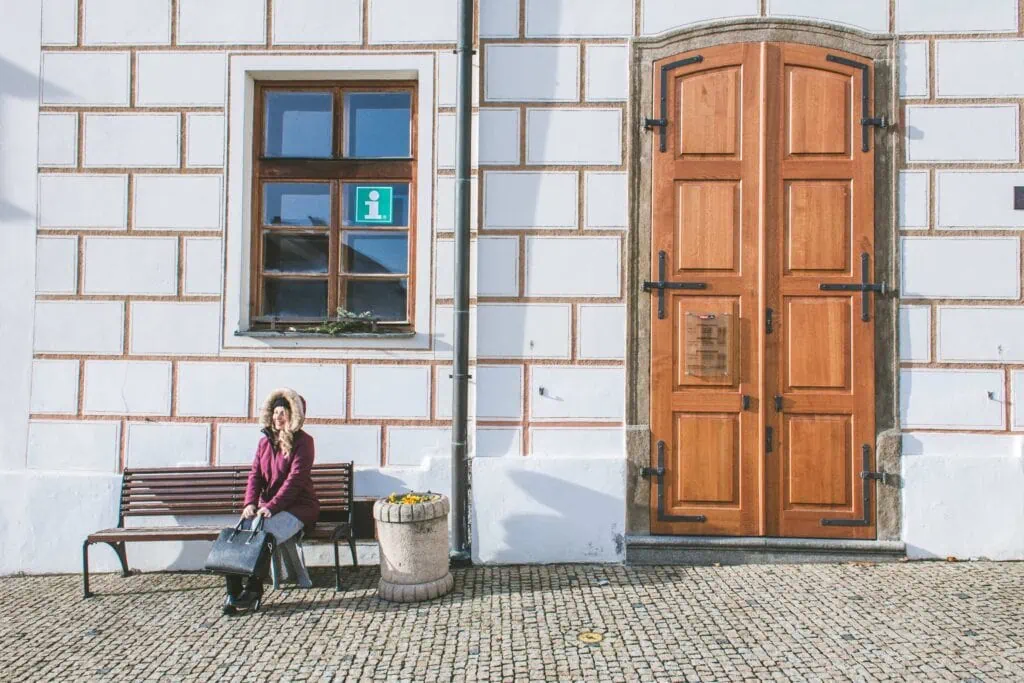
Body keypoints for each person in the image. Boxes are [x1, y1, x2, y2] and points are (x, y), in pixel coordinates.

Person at [223, 387, 320, 615]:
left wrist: (271, 506)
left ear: (294, 415)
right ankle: (233, 592)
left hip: (299, 509)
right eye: (275, 411)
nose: (278, 416)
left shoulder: (304, 442)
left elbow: (295, 481)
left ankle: (254, 590)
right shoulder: (264, 443)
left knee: (263, 535)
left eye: (283, 411)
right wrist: (250, 504)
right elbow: (255, 475)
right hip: (268, 509)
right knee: (242, 532)